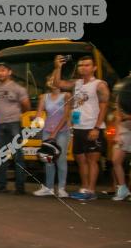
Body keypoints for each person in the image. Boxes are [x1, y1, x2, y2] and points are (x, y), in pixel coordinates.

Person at [49, 54, 109, 200]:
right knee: (80, 160)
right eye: (81, 65)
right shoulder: (77, 83)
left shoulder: (100, 85)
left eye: (87, 65)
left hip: (93, 127)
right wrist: (58, 67)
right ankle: (84, 188)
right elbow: (57, 84)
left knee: (91, 160)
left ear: (94, 67)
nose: (83, 68)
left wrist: (96, 128)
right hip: (79, 127)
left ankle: (91, 191)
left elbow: (104, 107)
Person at [0, 62, 31, 194]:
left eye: (3, 70)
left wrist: (14, 113)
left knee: (17, 155)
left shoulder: (18, 88)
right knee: (0, 156)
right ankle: (1, 184)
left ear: (9, 72)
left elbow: (26, 106)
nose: (0, 72)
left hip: (14, 124)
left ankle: (20, 187)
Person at [33, 80, 71, 197]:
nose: (52, 82)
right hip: (47, 131)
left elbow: (66, 116)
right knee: (48, 160)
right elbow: (39, 114)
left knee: (61, 159)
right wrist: (36, 122)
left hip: (62, 131)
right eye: (50, 80)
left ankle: (61, 188)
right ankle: (48, 188)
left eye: (55, 79)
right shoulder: (44, 97)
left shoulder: (66, 95)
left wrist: (55, 132)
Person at [111, 89, 131, 201]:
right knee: (115, 160)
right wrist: (117, 134)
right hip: (124, 129)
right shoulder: (123, 94)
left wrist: (127, 117)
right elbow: (118, 115)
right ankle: (123, 188)